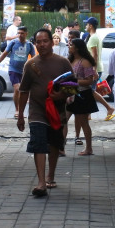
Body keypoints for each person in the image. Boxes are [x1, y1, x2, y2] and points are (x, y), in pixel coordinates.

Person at [17, 29, 75, 196]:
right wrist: (20, 115)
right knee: (39, 143)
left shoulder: (63, 62)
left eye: (45, 41)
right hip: (37, 112)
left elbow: (72, 88)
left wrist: (62, 95)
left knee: (55, 144)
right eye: (38, 42)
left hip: (57, 112)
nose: (41, 45)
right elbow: (23, 91)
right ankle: (41, 182)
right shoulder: (30, 65)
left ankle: (51, 174)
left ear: (52, 42)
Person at [66, 38, 100, 155]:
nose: (69, 46)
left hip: (82, 95)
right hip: (70, 94)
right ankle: (60, 147)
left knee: (83, 122)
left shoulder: (85, 62)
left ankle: (89, 148)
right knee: (63, 120)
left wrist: (75, 81)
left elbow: (89, 81)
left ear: (77, 48)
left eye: (71, 45)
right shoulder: (70, 60)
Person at [0, 26, 35, 110]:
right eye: (18, 33)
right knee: (17, 89)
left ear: (26, 34)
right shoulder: (13, 42)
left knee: (23, 91)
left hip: (24, 71)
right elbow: (4, 54)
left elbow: (34, 58)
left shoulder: (29, 44)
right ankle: (17, 110)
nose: (20, 35)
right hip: (13, 69)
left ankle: (21, 111)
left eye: (22, 33)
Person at [84, 17, 115, 120]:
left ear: (91, 26)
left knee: (90, 91)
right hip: (94, 67)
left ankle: (109, 108)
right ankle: (88, 115)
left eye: (87, 24)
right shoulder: (94, 37)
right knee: (89, 91)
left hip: (94, 68)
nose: (85, 26)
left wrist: (93, 69)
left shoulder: (94, 38)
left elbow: (95, 55)